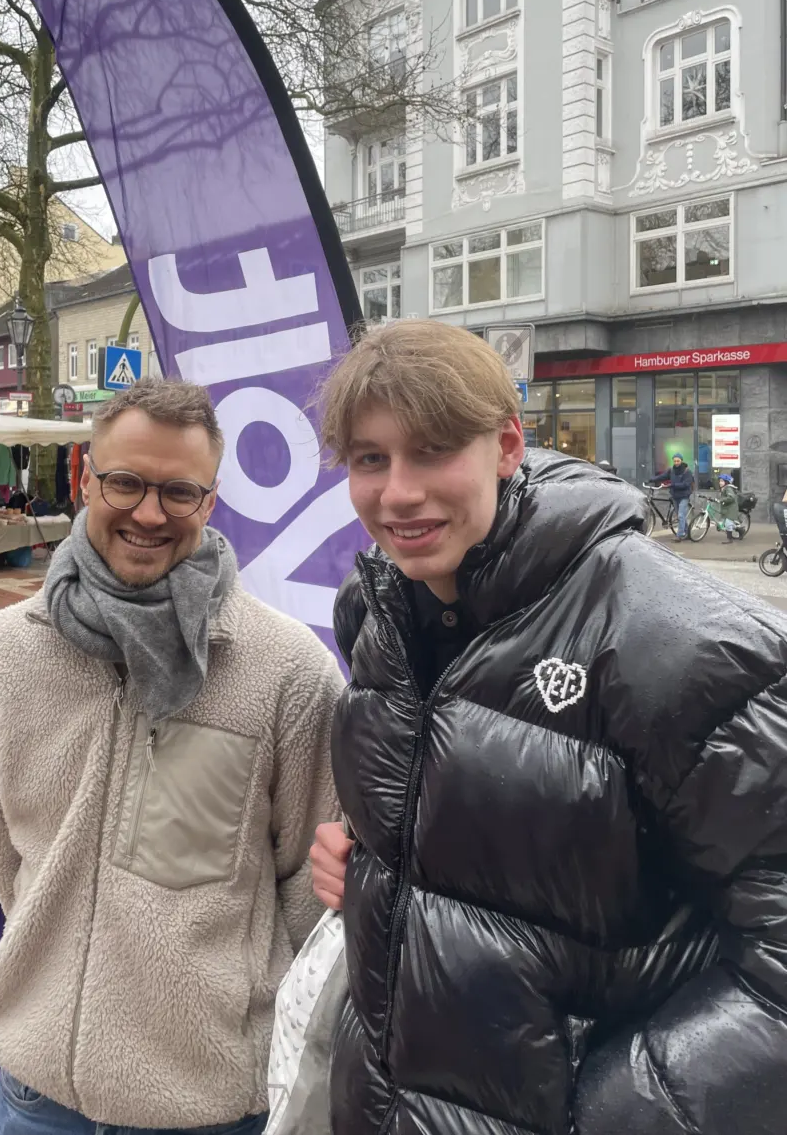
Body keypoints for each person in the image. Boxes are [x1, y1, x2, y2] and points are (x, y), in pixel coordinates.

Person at [308, 320, 787, 1135]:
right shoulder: (379, 609)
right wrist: (369, 855)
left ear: (505, 445)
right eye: (370, 459)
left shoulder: (672, 641)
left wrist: (609, 1114)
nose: (397, 493)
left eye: (432, 451)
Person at [0, 377, 343, 1135]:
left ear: (211, 499)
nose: (148, 512)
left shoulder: (287, 672)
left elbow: (307, 881)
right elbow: (13, 857)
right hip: (35, 1096)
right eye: (125, 482)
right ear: (85, 478)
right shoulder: (3, 655)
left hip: (210, 1109)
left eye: (178, 491)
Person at [650, 453, 694, 540]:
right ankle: (686, 531)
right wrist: (651, 479)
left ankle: (680, 535)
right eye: (675, 461)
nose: (676, 462)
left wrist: (672, 485)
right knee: (680, 515)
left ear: (681, 460)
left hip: (684, 495)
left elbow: (686, 484)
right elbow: (663, 476)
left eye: (678, 461)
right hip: (675, 495)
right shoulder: (671, 470)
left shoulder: (687, 471)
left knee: (681, 515)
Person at [717, 471, 742, 543]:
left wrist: (722, 500)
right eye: (719, 481)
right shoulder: (724, 488)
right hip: (728, 508)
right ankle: (740, 530)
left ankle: (730, 539)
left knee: (728, 523)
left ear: (726, 482)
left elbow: (731, 498)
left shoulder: (728, 488)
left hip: (731, 508)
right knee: (729, 523)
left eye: (722, 481)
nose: (720, 482)